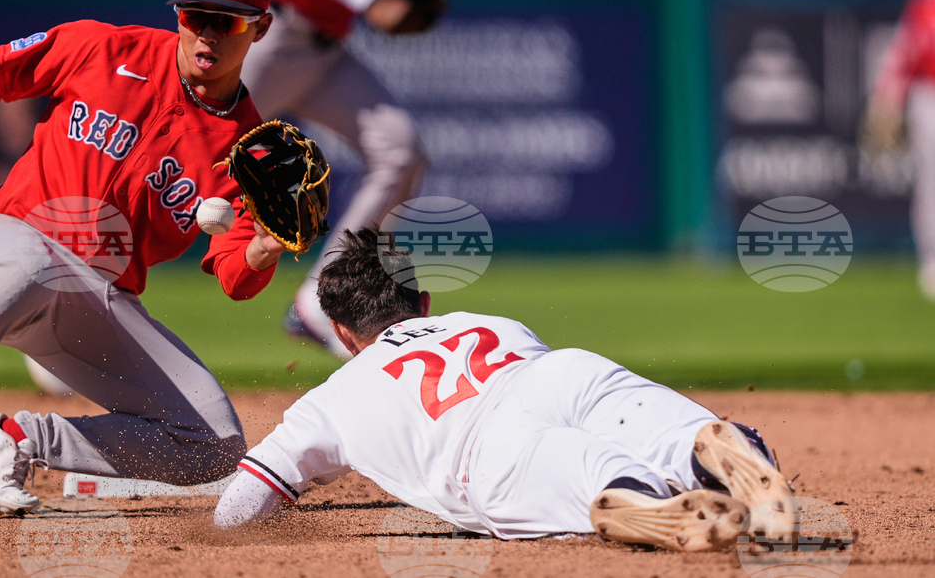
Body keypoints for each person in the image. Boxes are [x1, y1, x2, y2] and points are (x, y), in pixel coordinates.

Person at [0, 0, 287, 513]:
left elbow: (232, 275)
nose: (207, 35)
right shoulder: (103, 48)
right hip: (11, 242)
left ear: (260, 28)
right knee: (29, 266)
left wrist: (262, 250)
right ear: (178, 15)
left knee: (214, 446)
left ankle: (14, 437)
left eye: (226, 21)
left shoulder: (248, 154)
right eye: (196, 16)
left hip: (95, 299)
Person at [213, 228, 797, 552]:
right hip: (562, 372)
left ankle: (640, 500)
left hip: (488, 452)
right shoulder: (485, 321)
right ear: (423, 304)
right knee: (669, 434)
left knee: (600, 477)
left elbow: (241, 505)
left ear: (340, 332)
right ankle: (725, 452)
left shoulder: (332, 399)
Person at [242, 0, 429, 358]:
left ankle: (317, 303)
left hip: (325, 51)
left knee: (401, 152)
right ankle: (78, 289)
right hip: (268, 36)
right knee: (173, 152)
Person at [864, 0, 935, 299]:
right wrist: (885, 104)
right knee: (932, 180)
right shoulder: (926, 0)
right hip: (930, 94)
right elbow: (903, 54)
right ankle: (933, 260)